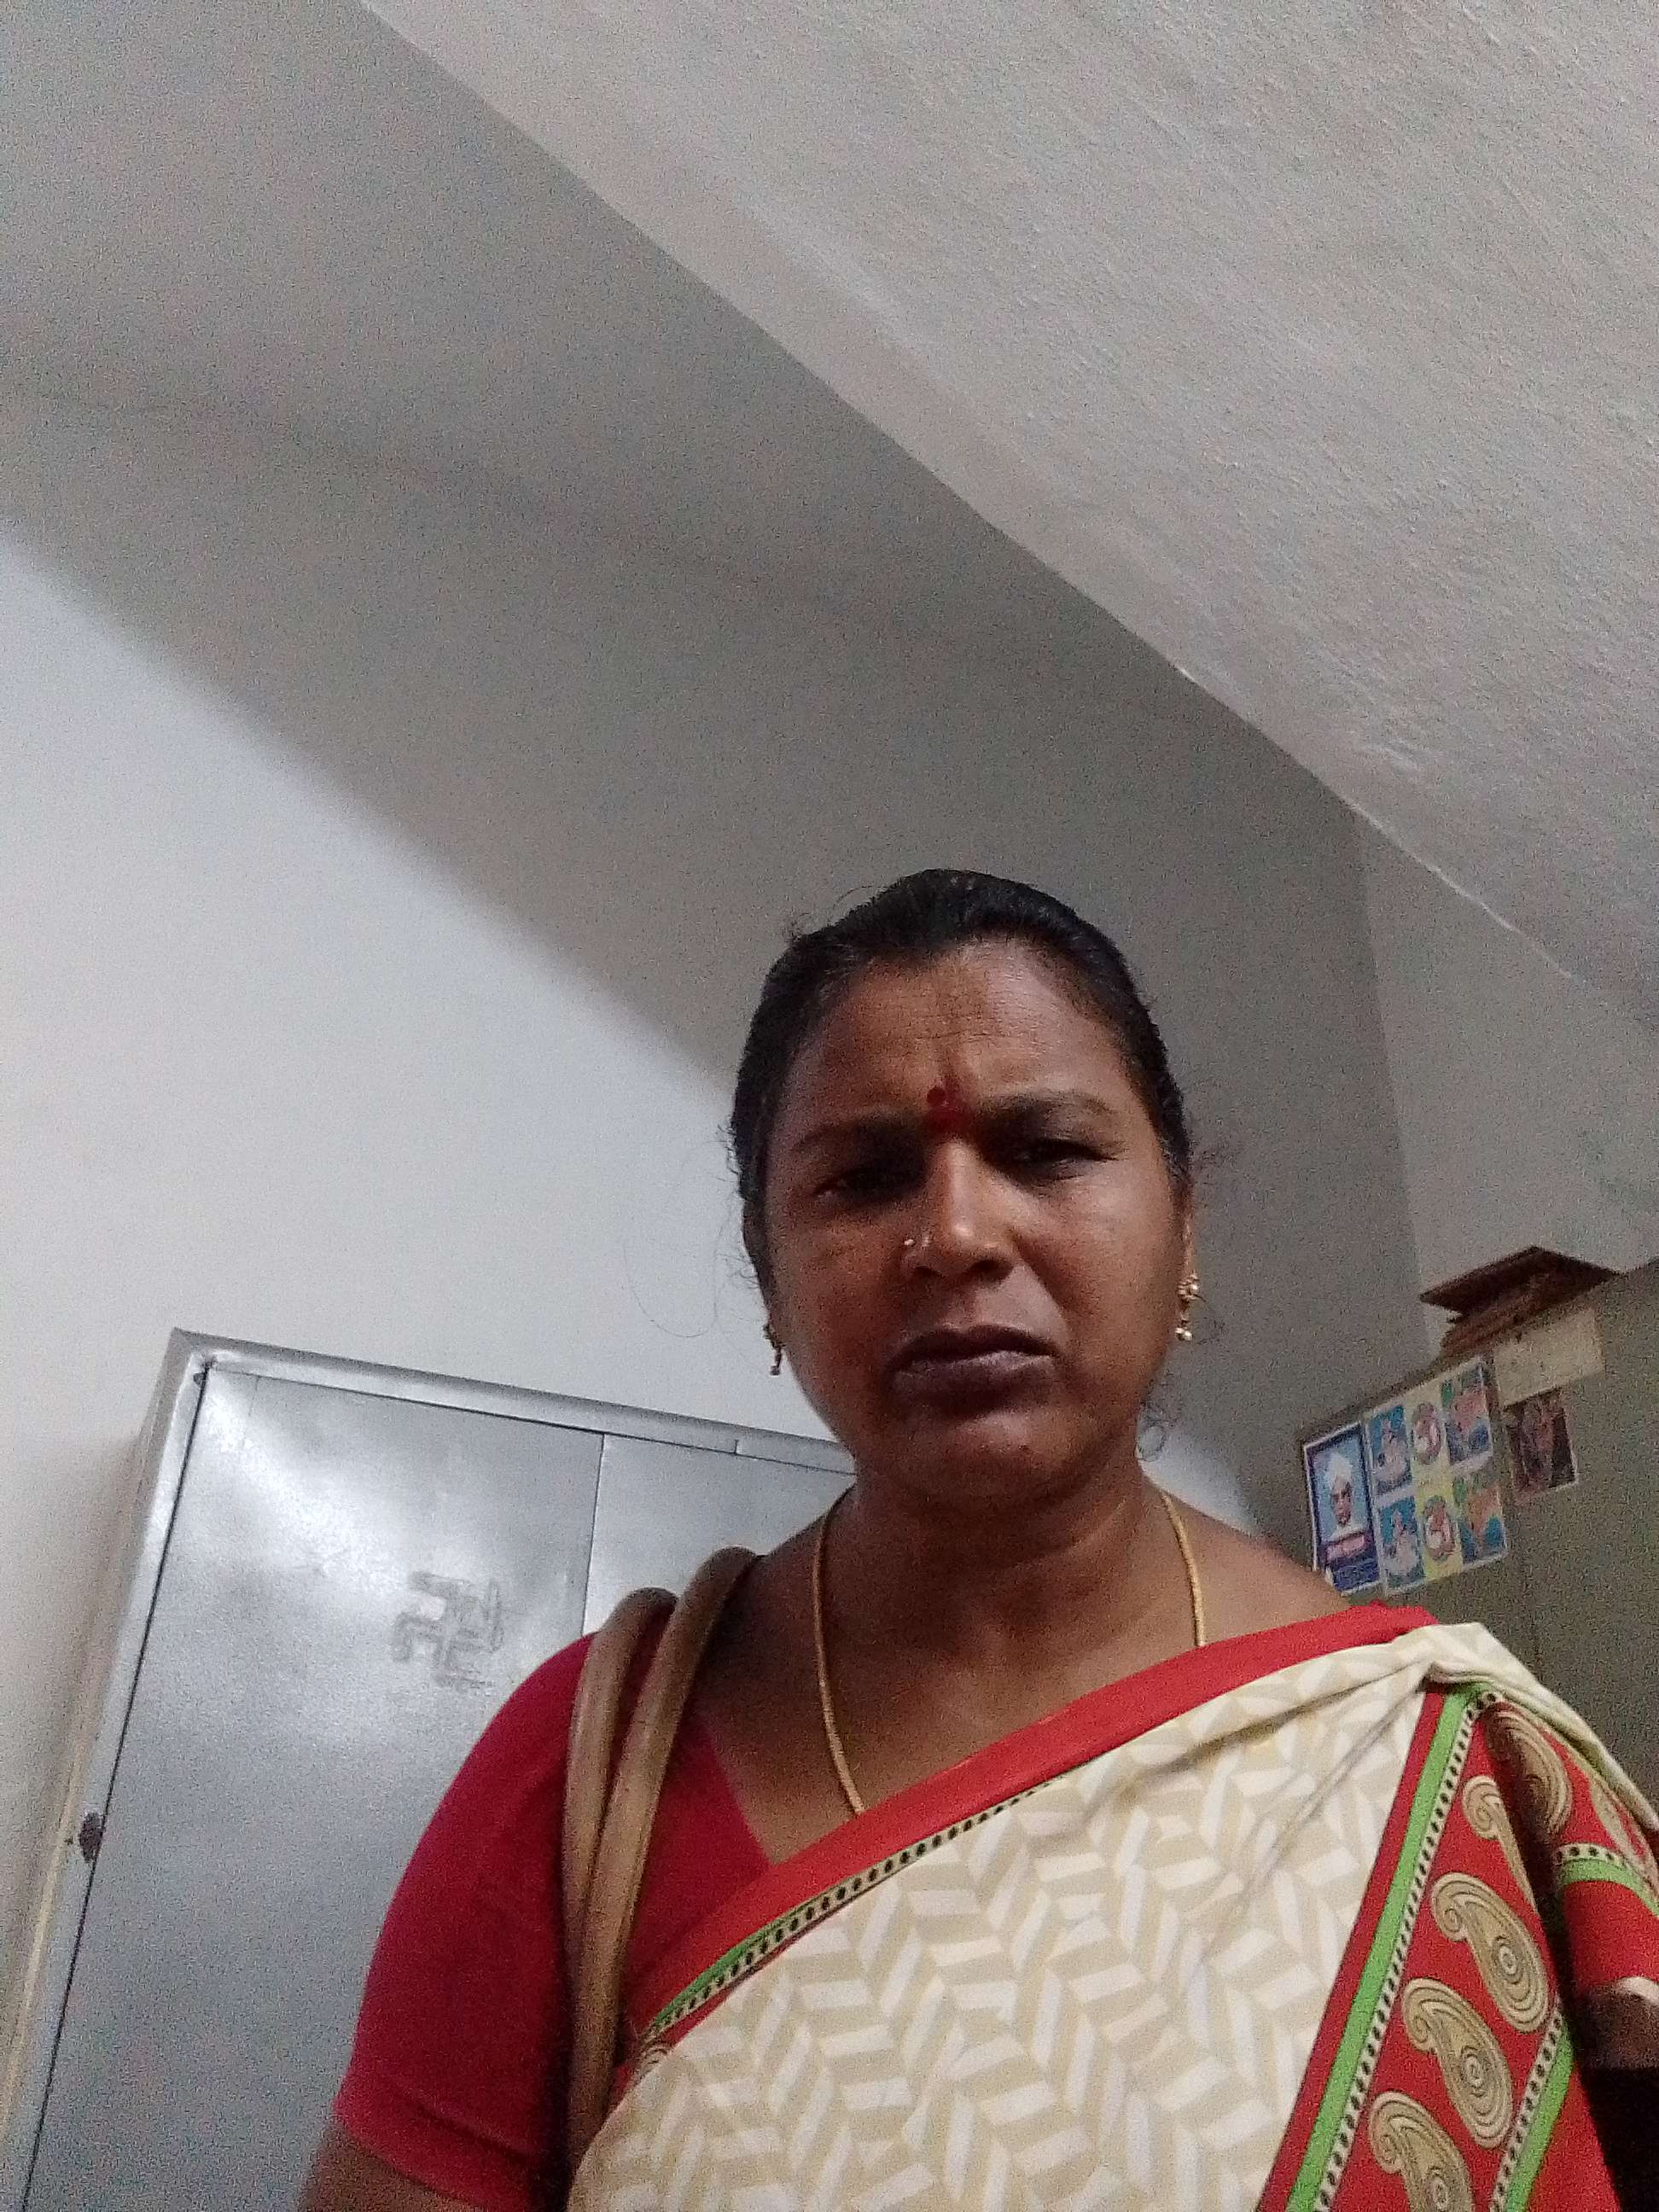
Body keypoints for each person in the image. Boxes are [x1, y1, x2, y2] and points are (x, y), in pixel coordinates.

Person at [303, 870, 1658, 2210]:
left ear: (1184, 1225)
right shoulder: (583, 1783)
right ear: (769, 1275)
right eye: (865, 1178)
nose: (955, 1235)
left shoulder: (1425, 1746)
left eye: (1046, 1151)